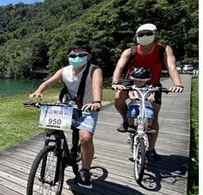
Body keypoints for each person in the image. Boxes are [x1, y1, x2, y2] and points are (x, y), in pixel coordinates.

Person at [29, 39, 104, 186]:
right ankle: (61, 149)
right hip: (68, 107)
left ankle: (85, 171)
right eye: (73, 56)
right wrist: (38, 91)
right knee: (49, 125)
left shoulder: (94, 70)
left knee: (85, 138)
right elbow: (48, 82)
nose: (76, 58)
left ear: (89, 56)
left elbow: (97, 86)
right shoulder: (64, 71)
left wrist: (96, 102)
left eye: (81, 55)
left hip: (87, 108)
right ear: (68, 57)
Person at [111, 23, 184, 159]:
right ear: (136, 37)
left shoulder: (163, 49)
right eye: (141, 35)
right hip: (132, 80)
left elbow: (171, 67)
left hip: (153, 82)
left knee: (154, 116)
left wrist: (177, 84)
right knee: (118, 97)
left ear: (156, 34)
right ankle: (126, 120)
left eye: (148, 34)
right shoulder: (130, 51)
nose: (145, 37)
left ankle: (151, 149)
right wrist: (116, 82)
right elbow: (119, 67)